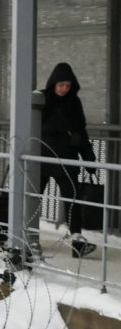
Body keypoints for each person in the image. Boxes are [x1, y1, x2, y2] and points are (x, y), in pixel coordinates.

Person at [40, 62, 97, 258]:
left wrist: (90, 160)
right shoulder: (42, 99)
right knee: (32, 198)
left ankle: (77, 244)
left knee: (72, 200)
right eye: (61, 85)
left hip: (62, 159)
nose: (64, 89)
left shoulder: (72, 102)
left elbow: (81, 131)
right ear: (53, 83)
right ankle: (25, 238)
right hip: (45, 159)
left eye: (67, 85)